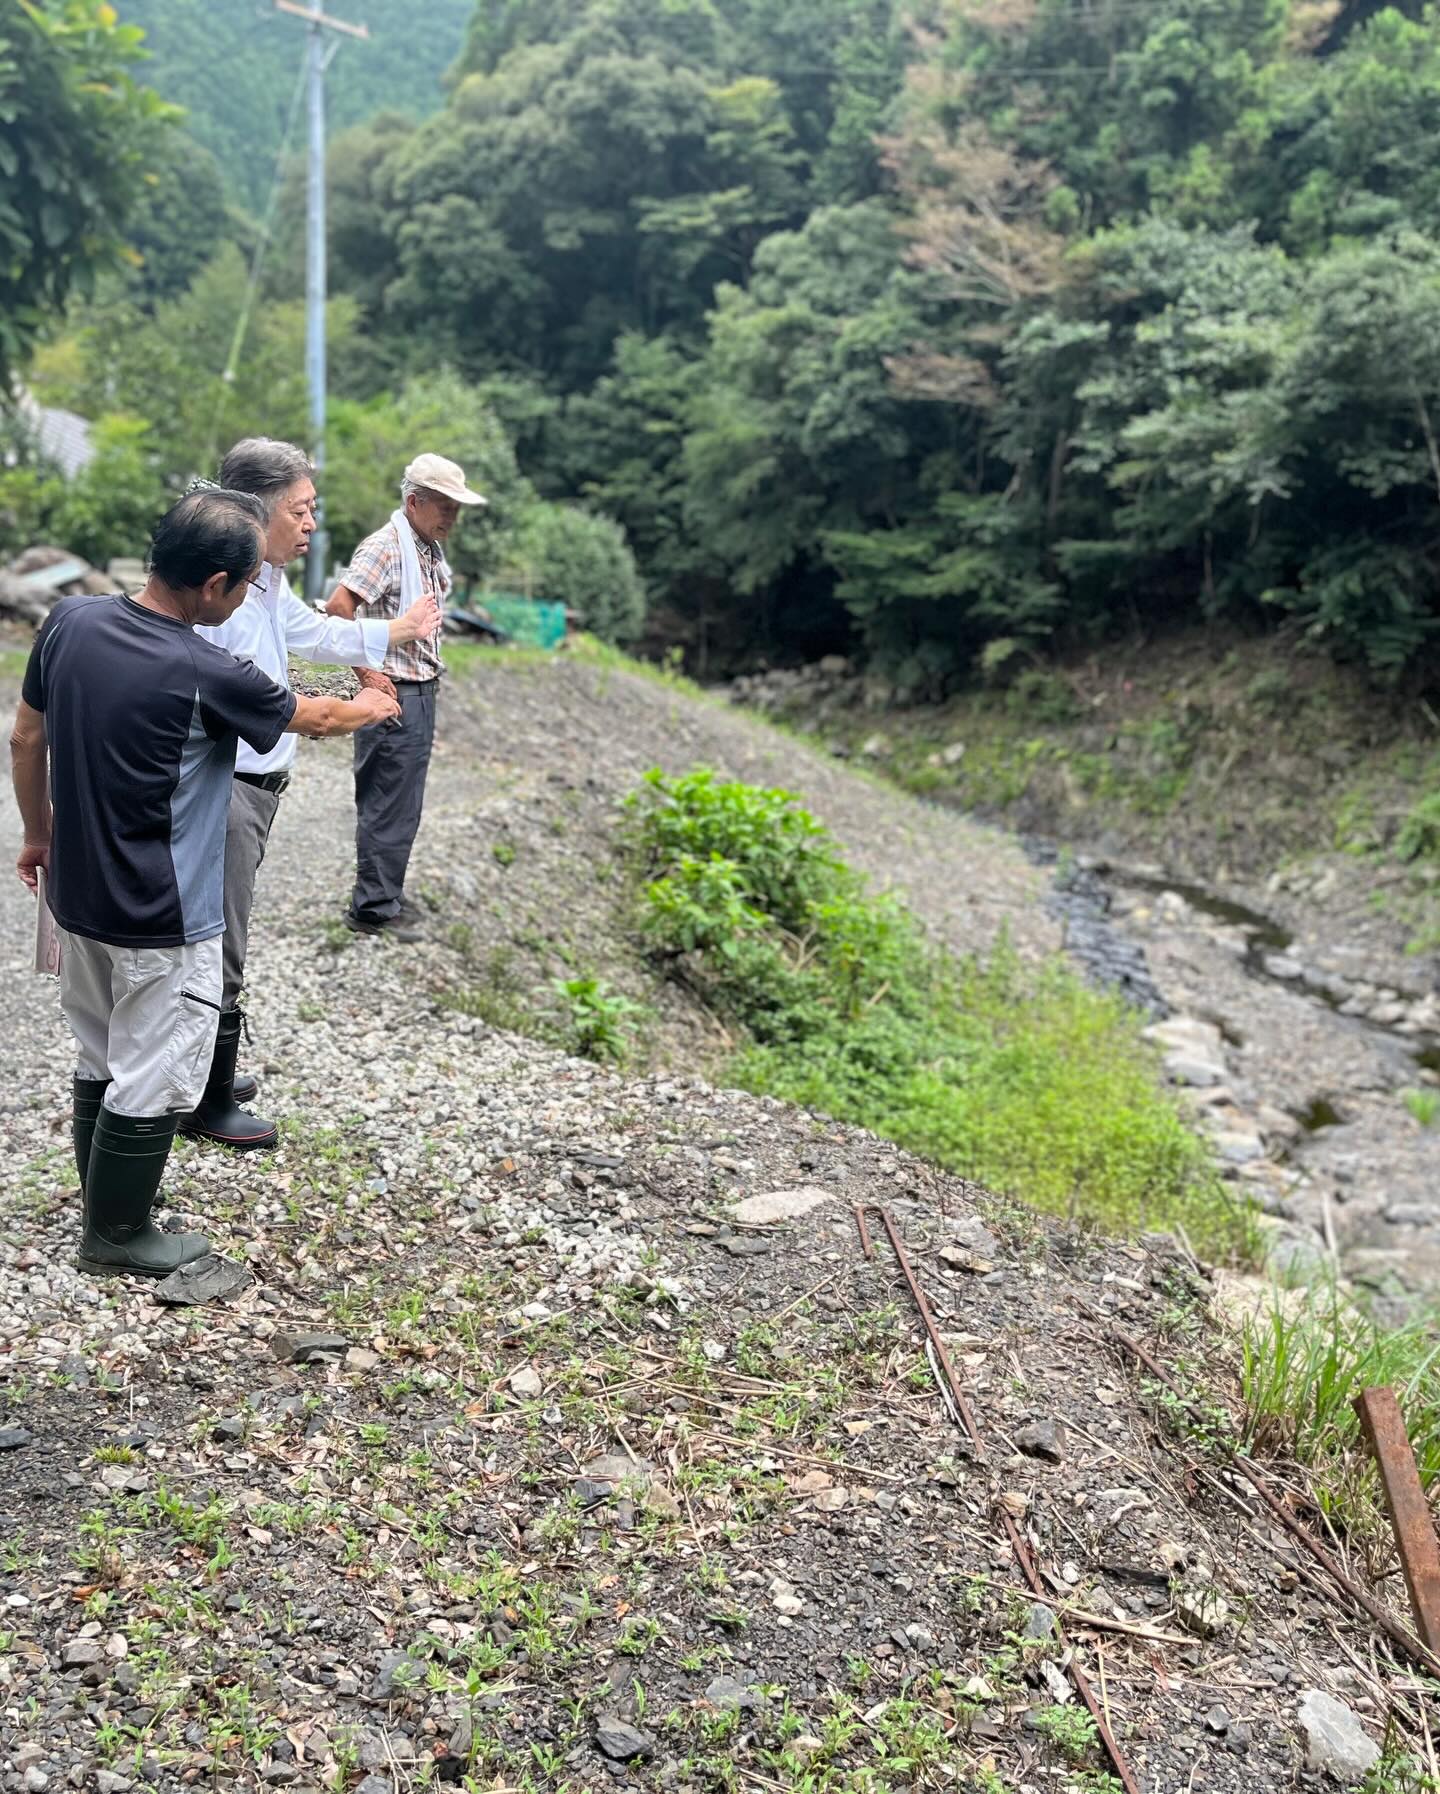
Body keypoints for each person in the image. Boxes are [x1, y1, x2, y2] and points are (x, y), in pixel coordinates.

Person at [9, 491, 400, 1278]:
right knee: (153, 1067)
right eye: (248, 586)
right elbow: (314, 717)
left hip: (77, 895)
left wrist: (39, 834)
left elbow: (25, 736)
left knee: (100, 1051)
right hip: (164, 911)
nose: (249, 597)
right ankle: (117, 1234)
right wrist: (372, 704)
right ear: (215, 584)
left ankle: (107, 1201)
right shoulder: (207, 668)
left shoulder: (69, 624)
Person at [186, 439, 443, 1151]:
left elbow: (305, 631)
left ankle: (203, 1071)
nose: (309, 525)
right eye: (299, 511)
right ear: (257, 511)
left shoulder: (265, 579)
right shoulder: (229, 594)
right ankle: (204, 1097)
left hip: (257, 785)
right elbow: (267, 699)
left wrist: (390, 634)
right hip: (229, 787)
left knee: (222, 933)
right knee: (220, 941)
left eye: (313, 510)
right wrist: (354, 708)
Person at [324, 453, 486, 938]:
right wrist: (366, 674)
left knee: (402, 799)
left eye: (457, 509)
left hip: (418, 687)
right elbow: (338, 608)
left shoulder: (426, 549)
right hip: (395, 690)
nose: (452, 518)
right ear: (414, 502)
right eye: (445, 506)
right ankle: (372, 908)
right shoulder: (388, 548)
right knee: (387, 798)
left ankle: (385, 893)